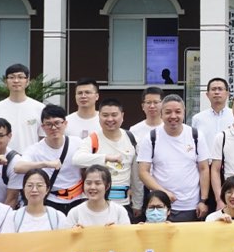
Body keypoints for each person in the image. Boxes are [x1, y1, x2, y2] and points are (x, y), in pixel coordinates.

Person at [137, 95, 211, 222]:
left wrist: (203, 200)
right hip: (160, 208)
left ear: (184, 113)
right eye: (168, 112)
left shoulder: (196, 135)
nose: (173, 116)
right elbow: (143, 172)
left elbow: (204, 169)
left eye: (178, 112)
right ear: (161, 114)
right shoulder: (151, 137)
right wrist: (164, 192)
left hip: (191, 206)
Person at [13, 104, 85, 215]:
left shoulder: (77, 142)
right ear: (42, 127)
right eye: (48, 124)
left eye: (57, 123)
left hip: (78, 198)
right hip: (51, 200)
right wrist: (45, 164)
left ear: (65, 123)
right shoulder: (35, 149)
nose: (53, 128)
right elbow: (18, 167)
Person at [72, 99, 137, 213]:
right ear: (99, 117)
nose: (110, 119)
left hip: (123, 202)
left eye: (114, 115)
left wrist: (137, 203)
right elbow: (77, 159)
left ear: (122, 116)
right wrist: (106, 158)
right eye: (105, 115)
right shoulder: (92, 139)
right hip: (94, 203)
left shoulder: (131, 138)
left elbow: (136, 175)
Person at [0, 63, 45, 153]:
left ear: (27, 81)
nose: (16, 80)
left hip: (30, 159)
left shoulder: (40, 108)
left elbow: (44, 138)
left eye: (21, 77)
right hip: (2, 159)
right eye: (11, 77)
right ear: (6, 82)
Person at [128, 87, 165, 220]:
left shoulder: (169, 128)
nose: (152, 106)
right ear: (142, 106)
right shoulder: (134, 130)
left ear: (163, 104)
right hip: (141, 185)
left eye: (156, 102)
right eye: (148, 102)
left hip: (164, 182)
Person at [67, 165, 133, 227]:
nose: (92, 187)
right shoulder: (75, 213)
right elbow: (66, 234)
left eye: (98, 183)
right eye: (88, 183)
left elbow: (127, 234)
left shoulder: (119, 211)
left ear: (107, 186)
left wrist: (116, 231)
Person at [190, 77, 234, 143]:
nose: (217, 92)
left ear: (227, 94)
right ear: (207, 94)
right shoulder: (198, 118)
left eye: (220, 89)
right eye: (213, 89)